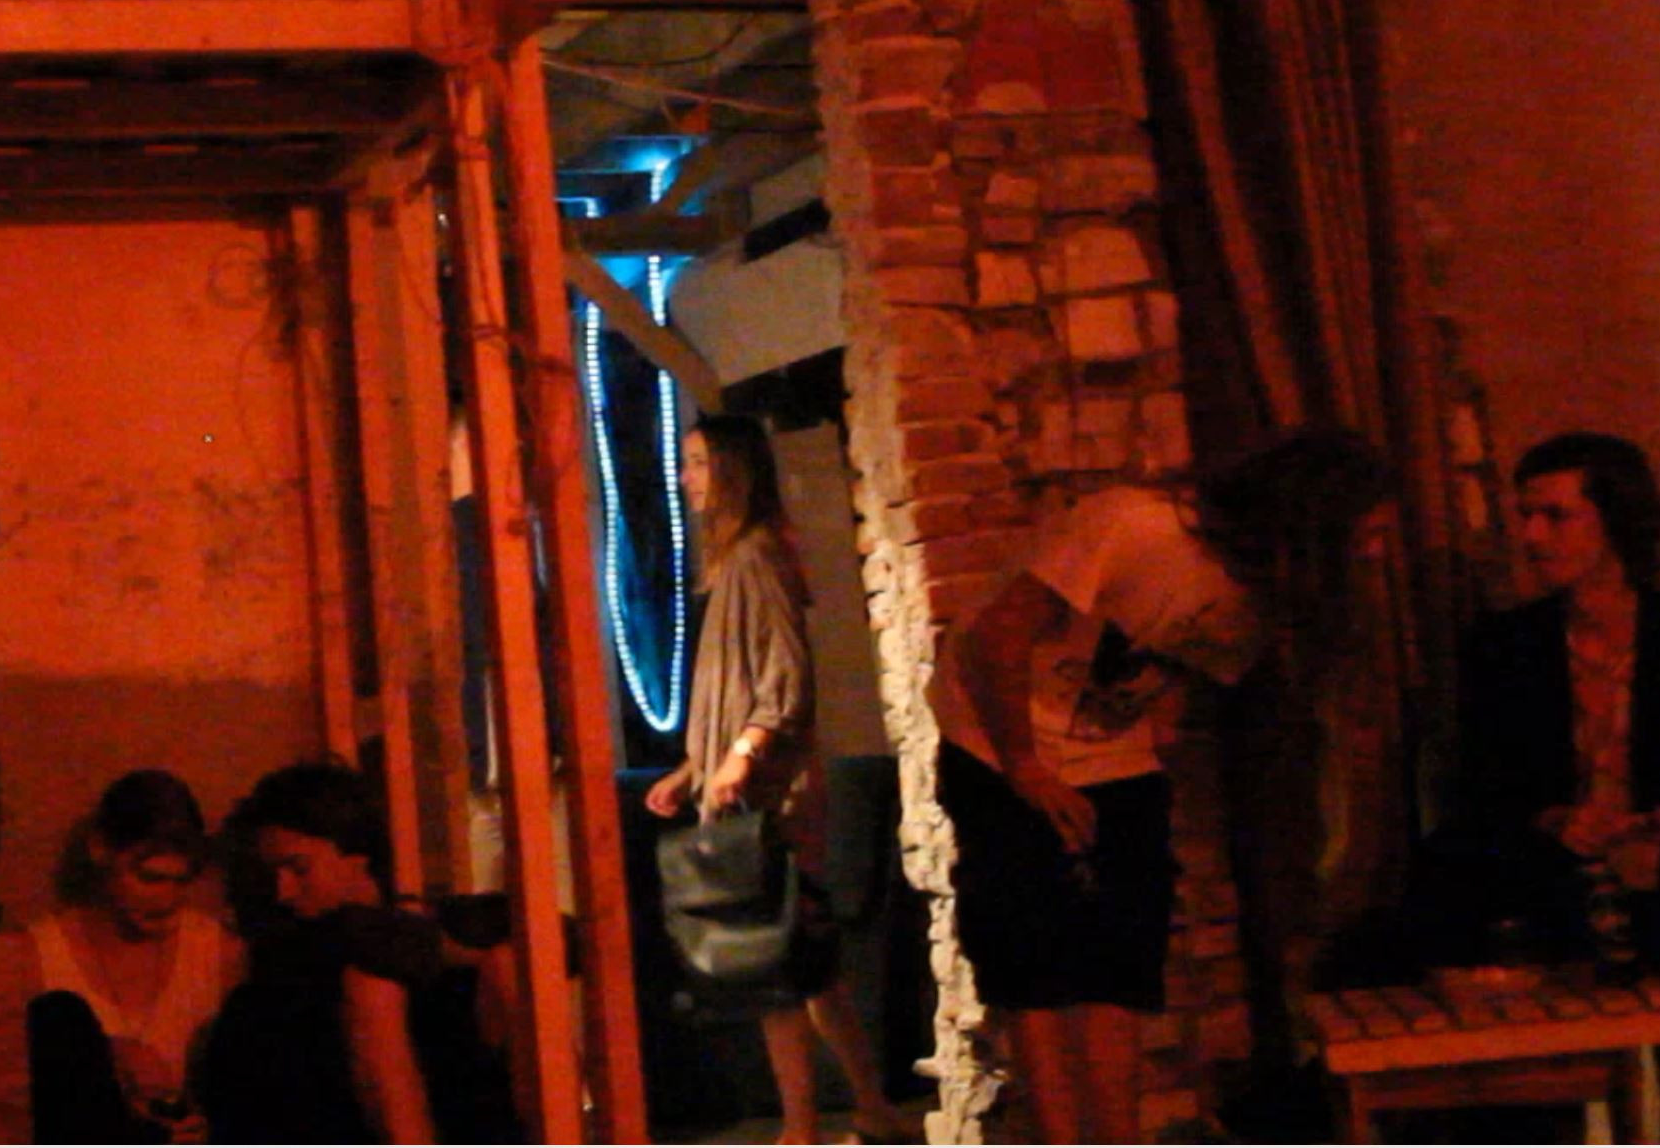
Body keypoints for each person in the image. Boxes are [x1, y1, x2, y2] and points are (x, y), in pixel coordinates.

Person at [929, 433, 1387, 1142]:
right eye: (1367, 533)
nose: (1375, 554)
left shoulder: (1271, 592)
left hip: (1112, 749)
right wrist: (1023, 766)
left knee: (1119, 960)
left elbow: (1194, 671)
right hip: (995, 738)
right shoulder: (1137, 525)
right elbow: (995, 635)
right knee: (1035, 961)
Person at [642, 414, 910, 1145]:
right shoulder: (738, 561)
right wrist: (693, 768)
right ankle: (869, 1108)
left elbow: (783, 676)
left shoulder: (756, 556)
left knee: (772, 963)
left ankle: (800, 1127)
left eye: (700, 461)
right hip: (752, 782)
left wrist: (740, 755)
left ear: (733, 470)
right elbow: (742, 687)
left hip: (768, 794)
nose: (686, 477)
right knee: (804, 963)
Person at [1430, 434, 1660, 961]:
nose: (1532, 536)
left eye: (1557, 516)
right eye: (1526, 516)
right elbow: (1481, 789)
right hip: (1548, 894)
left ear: (1616, 520)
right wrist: (1555, 820)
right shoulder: (1505, 645)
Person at [201, 760, 511, 1145]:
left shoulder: (443, 962)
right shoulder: (273, 984)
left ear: (357, 859)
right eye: (272, 875)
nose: (283, 891)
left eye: (299, 869)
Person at [26, 769, 243, 1143]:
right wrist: (106, 1056)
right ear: (100, 850)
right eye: (149, 878)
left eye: (180, 881)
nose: (167, 899)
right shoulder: (39, 956)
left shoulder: (217, 951)